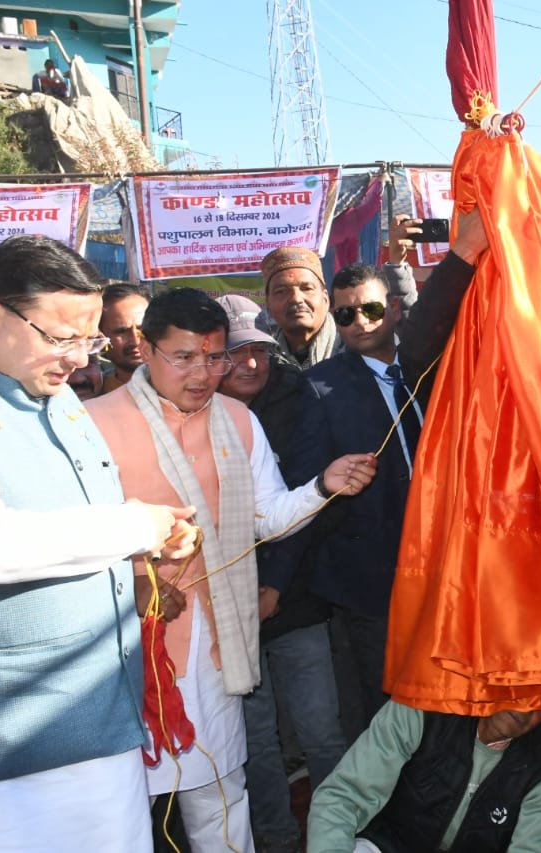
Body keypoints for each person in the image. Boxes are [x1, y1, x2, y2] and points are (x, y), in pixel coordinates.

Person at [86, 287, 376, 853]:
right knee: (123, 805)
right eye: (184, 357)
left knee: (220, 791)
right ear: (145, 348)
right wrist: (135, 579)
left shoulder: (238, 420)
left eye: (214, 357)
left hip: (217, 642)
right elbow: (72, 536)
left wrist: (323, 487)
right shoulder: (94, 422)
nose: (203, 374)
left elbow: (266, 517)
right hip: (128, 649)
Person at [0, 234, 197, 851]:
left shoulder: (58, 397)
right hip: (8, 738)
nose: (81, 360)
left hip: (103, 712)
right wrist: (134, 527)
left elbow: (80, 523)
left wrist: (145, 553)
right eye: (62, 338)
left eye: (89, 341)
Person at [282, 212, 487, 740]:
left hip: (453, 565)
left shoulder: (435, 366)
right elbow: (306, 486)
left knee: (456, 697)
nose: (360, 322)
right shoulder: (319, 387)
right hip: (371, 585)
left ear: (393, 309)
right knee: (387, 710)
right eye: (345, 314)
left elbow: (443, 314)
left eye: (371, 308)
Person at [216, 294, 348, 853]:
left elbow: (300, 502)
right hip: (228, 611)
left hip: (294, 598)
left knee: (322, 730)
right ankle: (275, 838)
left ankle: (337, 833)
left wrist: (273, 585)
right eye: (235, 353)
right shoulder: (188, 416)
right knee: (256, 741)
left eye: (260, 352)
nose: (251, 364)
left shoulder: (301, 399)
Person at [308, 705, 541, 853]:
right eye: (522, 680)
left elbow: (532, 849)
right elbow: (344, 796)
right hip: (386, 845)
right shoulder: (423, 709)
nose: (527, 705)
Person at [262, 224, 417, 369]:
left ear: (326, 299)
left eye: (307, 288)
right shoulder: (260, 362)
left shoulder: (363, 341)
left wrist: (397, 266)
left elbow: (410, 329)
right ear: (268, 304)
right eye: (281, 291)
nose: (296, 299)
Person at [99, 282, 150, 393]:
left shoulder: (184, 389)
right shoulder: (93, 394)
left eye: (142, 328)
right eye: (121, 331)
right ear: (101, 336)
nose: (136, 341)